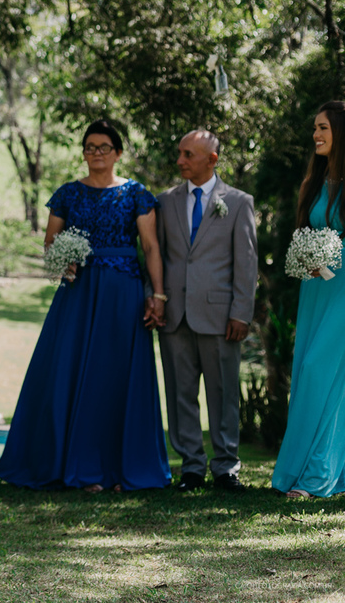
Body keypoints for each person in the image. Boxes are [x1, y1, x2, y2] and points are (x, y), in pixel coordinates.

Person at [0, 120, 170, 492]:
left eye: (103, 147)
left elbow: (151, 247)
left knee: (116, 374)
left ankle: (123, 468)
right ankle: (77, 465)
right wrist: (63, 260)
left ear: (118, 153)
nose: (95, 153)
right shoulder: (67, 194)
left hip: (123, 291)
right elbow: (50, 241)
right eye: (89, 147)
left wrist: (158, 294)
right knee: (66, 371)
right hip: (80, 291)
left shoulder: (137, 194)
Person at [155, 130, 257, 493]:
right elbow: (158, 255)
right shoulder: (164, 202)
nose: (180, 160)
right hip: (175, 316)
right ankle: (192, 468)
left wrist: (241, 312)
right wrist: (158, 299)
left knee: (223, 392)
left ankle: (226, 467)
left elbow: (246, 262)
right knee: (180, 393)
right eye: (179, 153)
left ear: (211, 160)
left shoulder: (239, 202)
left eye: (188, 154)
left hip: (220, 316)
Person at [272, 101, 345, 498]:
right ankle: (304, 470)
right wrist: (307, 258)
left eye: (323, 128)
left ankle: (318, 477)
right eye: (315, 128)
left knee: (324, 371)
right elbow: (304, 234)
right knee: (308, 372)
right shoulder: (314, 183)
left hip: (344, 289)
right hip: (316, 287)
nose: (315, 135)